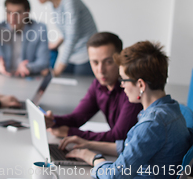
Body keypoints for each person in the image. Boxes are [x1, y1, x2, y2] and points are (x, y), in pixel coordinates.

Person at [58, 41, 192, 179]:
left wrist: (94, 159)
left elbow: (114, 175)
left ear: (140, 84)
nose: (122, 85)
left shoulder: (152, 123)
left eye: (123, 79)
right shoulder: (172, 108)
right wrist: (89, 144)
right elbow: (134, 147)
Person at [44, 32, 142, 141]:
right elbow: (77, 118)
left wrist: (70, 132)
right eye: (95, 62)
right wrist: (52, 121)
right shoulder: (98, 85)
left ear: (119, 60)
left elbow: (118, 136)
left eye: (108, 62)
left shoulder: (131, 90)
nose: (101, 70)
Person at [32, 0, 97, 76]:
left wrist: (57, 70)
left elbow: (72, 36)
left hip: (85, 55)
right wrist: (57, 44)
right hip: (72, 54)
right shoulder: (54, 3)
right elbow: (67, 29)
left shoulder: (69, 2)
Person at [0, 0, 50, 77]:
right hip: (3, 78)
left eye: (18, 13)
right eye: (9, 12)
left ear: (27, 12)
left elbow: (44, 62)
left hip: (27, 78)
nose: (13, 17)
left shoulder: (39, 28)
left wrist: (28, 67)